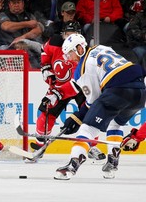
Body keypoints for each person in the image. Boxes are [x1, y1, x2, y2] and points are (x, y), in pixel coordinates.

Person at [49, 33, 146, 180]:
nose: (68, 58)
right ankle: (112, 162)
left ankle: (72, 165)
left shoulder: (82, 69)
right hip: (140, 92)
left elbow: (93, 100)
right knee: (115, 123)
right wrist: (77, 116)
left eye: (69, 53)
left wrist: (77, 118)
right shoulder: (100, 48)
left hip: (119, 90)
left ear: (79, 48)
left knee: (87, 128)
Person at [27, 21, 105, 163]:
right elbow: (45, 54)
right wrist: (46, 69)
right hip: (59, 85)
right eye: (67, 34)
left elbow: (77, 82)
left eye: (73, 34)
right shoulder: (56, 42)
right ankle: (40, 146)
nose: (70, 37)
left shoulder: (83, 51)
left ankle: (91, 145)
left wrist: (58, 93)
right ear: (63, 34)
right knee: (47, 110)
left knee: (90, 114)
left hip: (80, 87)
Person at [125, 0, 146, 70]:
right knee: (139, 52)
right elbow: (132, 30)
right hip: (141, 44)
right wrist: (143, 36)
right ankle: (136, 73)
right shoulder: (139, 16)